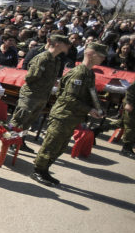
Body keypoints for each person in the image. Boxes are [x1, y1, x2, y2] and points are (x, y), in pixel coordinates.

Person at [31, 43, 107, 186]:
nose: (103, 58)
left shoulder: (89, 73)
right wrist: (89, 110)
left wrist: (97, 108)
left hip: (72, 116)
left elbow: (89, 94)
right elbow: (68, 98)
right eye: (100, 55)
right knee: (51, 144)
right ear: (90, 54)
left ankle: (45, 169)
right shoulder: (79, 73)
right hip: (63, 115)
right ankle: (37, 170)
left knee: (60, 146)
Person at [10, 33, 70, 136]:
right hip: (31, 94)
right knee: (19, 120)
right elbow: (31, 77)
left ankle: (18, 142)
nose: (68, 46)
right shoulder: (43, 58)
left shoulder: (57, 60)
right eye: (65, 43)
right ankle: (9, 141)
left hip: (42, 96)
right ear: (56, 44)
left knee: (27, 123)